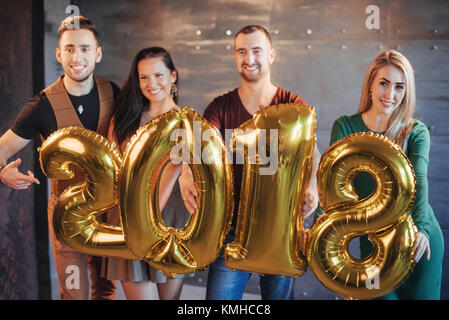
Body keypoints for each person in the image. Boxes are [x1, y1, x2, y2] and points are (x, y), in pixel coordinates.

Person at [179, 25, 320, 300]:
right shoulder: (220, 107)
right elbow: (198, 143)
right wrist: (186, 172)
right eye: (241, 51)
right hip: (231, 226)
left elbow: (313, 151)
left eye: (257, 50)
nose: (249, 58)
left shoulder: (292, 104)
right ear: (234, 56)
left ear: (271, 55)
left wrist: (312, 186)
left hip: (280, 226)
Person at [0, 16, 119, 299]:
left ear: (98, 53)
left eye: (85, 48)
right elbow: (2, 149)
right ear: (59, 54)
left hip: (108, 213)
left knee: (106, 292)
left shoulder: (113, 92)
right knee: (74, 294)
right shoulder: (40, 106)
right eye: (69, 49)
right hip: (67, 219)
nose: (77, 57)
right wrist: (1, 171)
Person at [314, 50, 444, 300]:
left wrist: (423, 230)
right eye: (384, 83)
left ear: (407, 91)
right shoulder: (345, 126)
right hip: (374, 242)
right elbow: (330, 184)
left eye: (399, 87)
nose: (390, 94)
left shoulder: (415, 131)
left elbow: (419, 180)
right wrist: (319, 224)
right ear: (371, 83)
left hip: (418, 238)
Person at [103, 47, 193, 300]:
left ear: (173, 76)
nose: (151, 83)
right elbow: (115, 172)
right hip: (129, 223)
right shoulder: (124, 118)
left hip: (172, 225)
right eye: (143, 77)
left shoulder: (188, 123)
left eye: (159, 75)